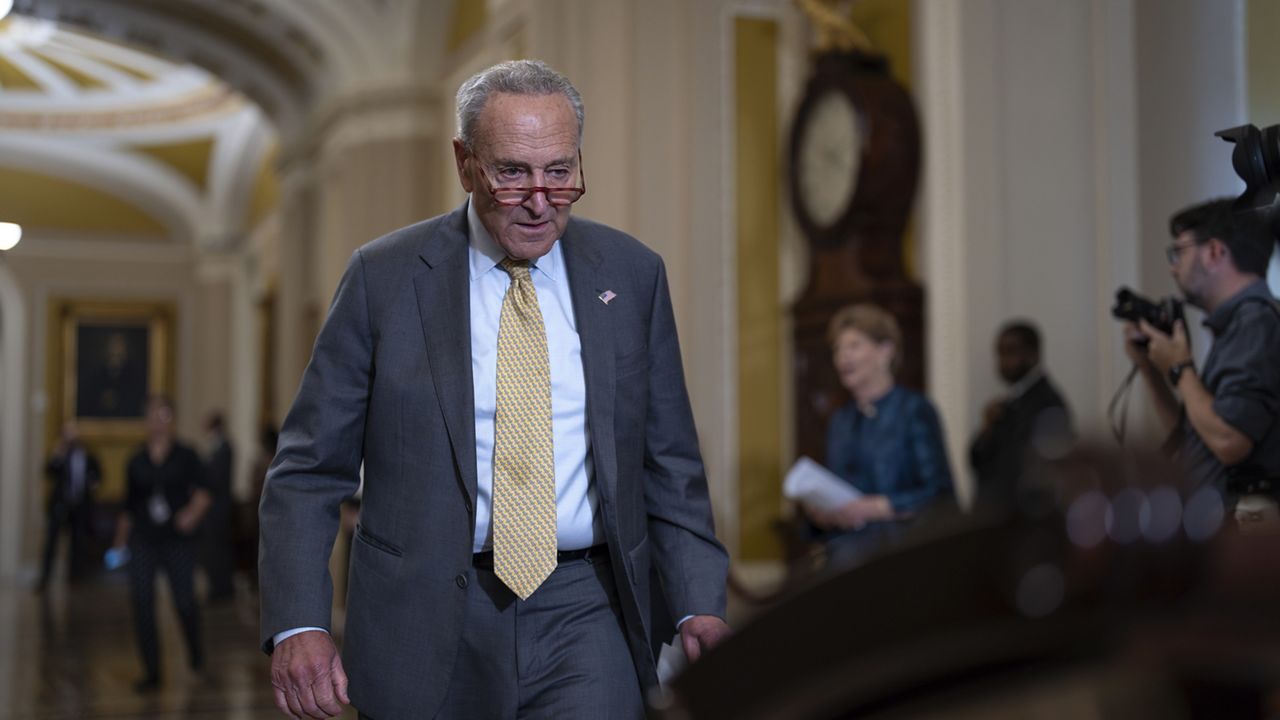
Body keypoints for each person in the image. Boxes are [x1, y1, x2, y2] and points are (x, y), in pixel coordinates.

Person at [259, 59, 729, 720]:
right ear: (465, 162)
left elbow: (669, 460)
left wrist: (697, 601)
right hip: (423, 615)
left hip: (587, 608)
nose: (541, 200)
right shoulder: (384, 279)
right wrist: (298, 623)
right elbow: (309, 469)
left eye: (561, 172)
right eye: (512, 173)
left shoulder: (631, 274)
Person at [1125, 198, 1280, 527]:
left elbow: (1229, 441)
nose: (1172, 267)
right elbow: (1193, 436)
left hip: (1242, 537)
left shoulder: (1255, 321)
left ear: (1214, 252)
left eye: (1178, 252)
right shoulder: (1239, 325)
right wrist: (1152, 370)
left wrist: (1181, 369)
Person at [804, 304, 954, 568]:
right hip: (846, 561)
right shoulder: (839, 421)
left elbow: (940, 495)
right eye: (838, 349)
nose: (843, 357)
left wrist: (875, 507)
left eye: (854, 346)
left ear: (885, 351)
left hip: (905, 559)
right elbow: (837, 491)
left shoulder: (914, 410)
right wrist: (822, 512)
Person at [111, 396, 212, 692]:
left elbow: (206, 490)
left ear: (173, 420)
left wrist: (191, 515)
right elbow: (128, 507)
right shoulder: (135, 460)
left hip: (177, 540)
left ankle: (196, 656)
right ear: (146, 420)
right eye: (153, 416)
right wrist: (118, 544)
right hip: (143, 539)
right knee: (142, 603)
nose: (158, 422)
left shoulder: (187, 455)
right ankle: (152, 672)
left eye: (164, 416)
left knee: (184, 602)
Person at [969, 321, 1073, 508]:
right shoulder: (1007, 403)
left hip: (1017, 520)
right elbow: (977, 460)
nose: (1002, 363)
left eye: (1010, 352)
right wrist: (987, 427)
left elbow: (1037, 472)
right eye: (999, 353)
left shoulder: (1048, 403)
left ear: (1033, 355)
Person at [37, 421, 102, 592]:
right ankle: (45, 578)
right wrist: (57, 454)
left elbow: (98, 475)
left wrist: (93, 483)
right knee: (52, 541)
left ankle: (75, 578)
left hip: (80, 505)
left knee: (77, 542)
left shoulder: (87, 454)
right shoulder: (60, 453)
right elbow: (48, 470)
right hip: (60, 504)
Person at [199, 411, 236, 602]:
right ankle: (217, 586)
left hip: (219, 508)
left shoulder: (225, 448)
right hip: (213, 509)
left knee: (218, 549)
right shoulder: (217, 448)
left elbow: (217, 478)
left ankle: (222, 588)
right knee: (212, 549)